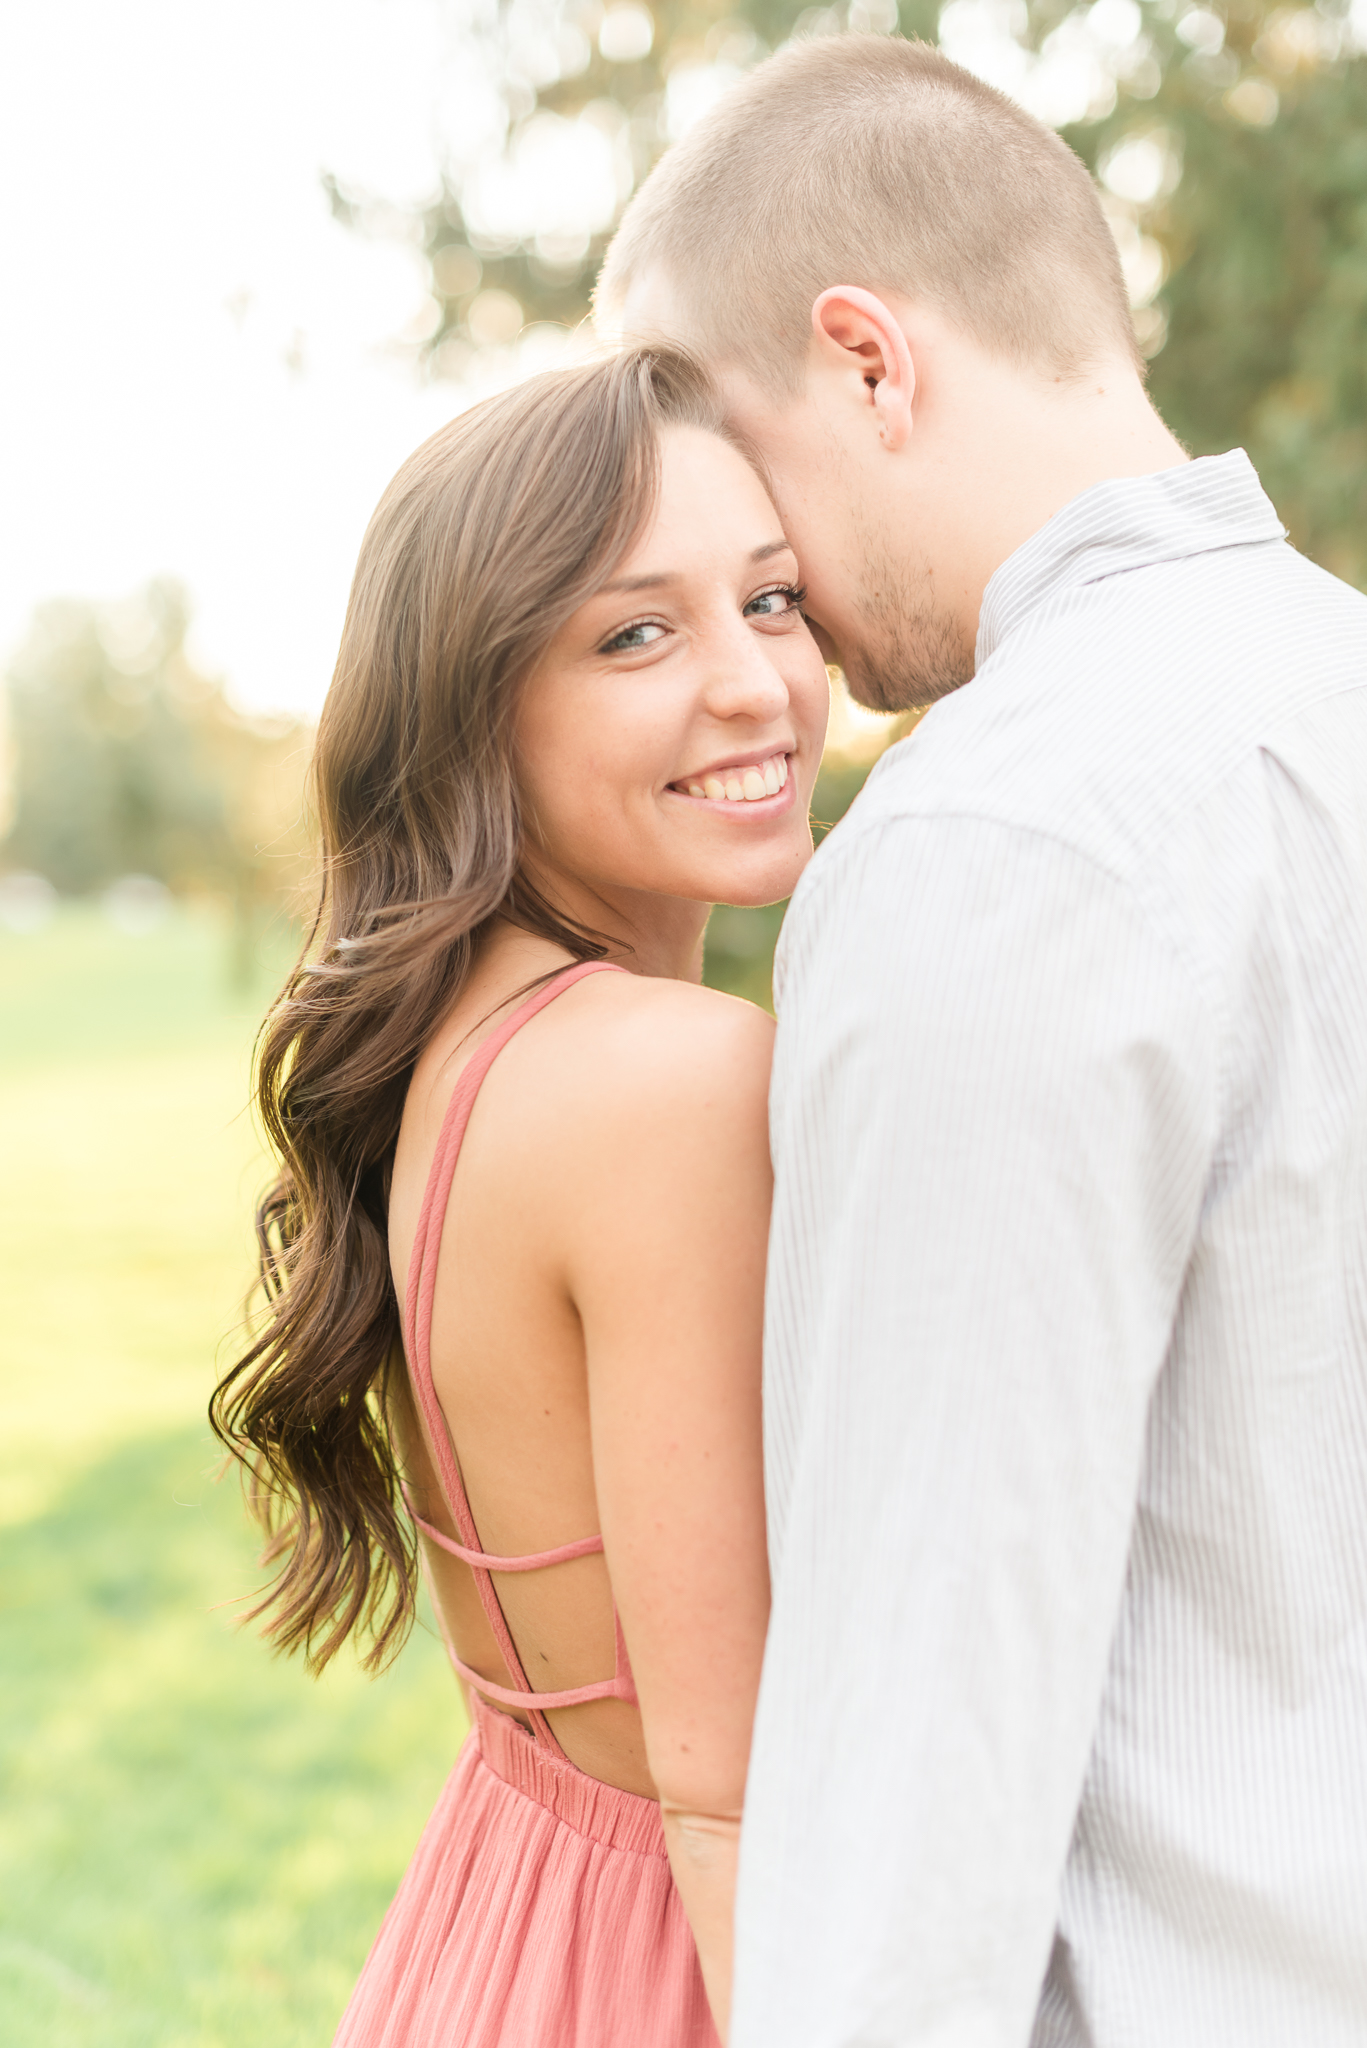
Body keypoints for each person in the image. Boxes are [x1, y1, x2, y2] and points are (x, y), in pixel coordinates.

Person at [600, 33, 1367, 2048]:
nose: (780, 627)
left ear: (868, 361)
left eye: (746, 482)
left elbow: (915, 1762)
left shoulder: (986, 843)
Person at [210, 347, 830, 2046]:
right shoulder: (677, 1080)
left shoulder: (472, 1047)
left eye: (773, 600)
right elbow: (725, 1783)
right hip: (689, 1960)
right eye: (637, 633)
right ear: (478, 704)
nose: (753, 684)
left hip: (509, 1925)